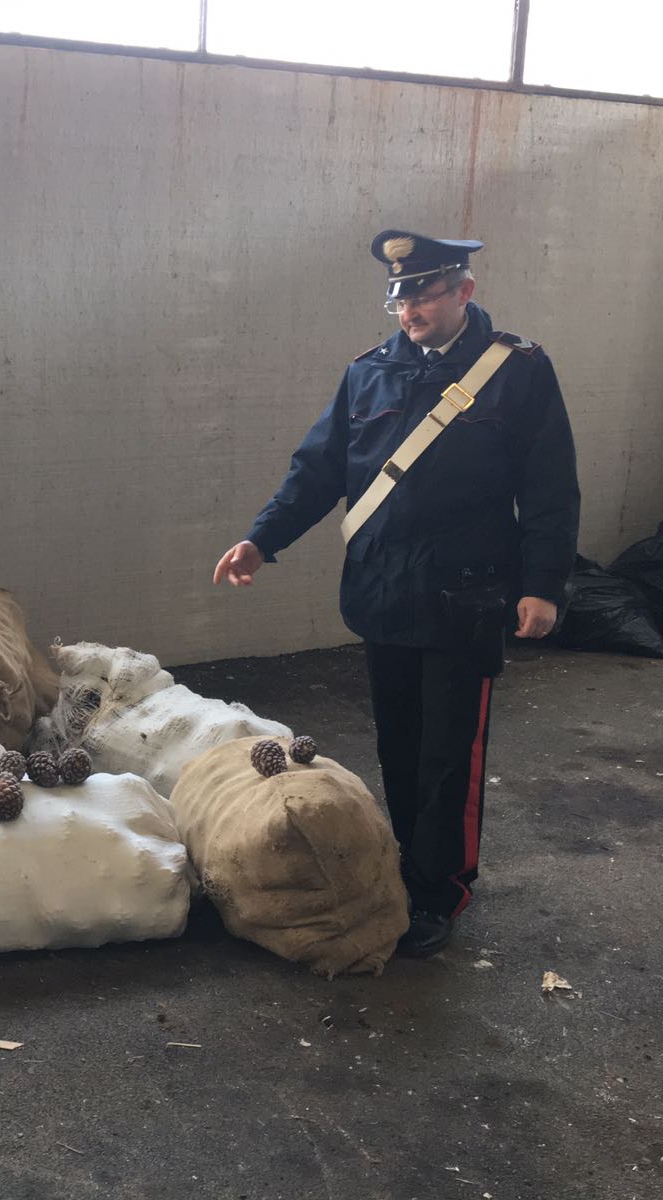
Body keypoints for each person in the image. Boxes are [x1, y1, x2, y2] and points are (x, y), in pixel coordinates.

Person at [213, 230, 579, 958]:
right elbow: (318, 470)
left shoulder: (517, 371)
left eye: (424, 294)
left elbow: (550, 486)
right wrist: (263, 538)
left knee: (449, 752)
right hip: (384, 589)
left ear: (464, 290)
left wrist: (542, 586)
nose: (410, 311)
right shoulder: (368, 373)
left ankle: (442, 888)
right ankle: (410, 863)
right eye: (400, 299)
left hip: (465, 594)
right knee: (400, 740)